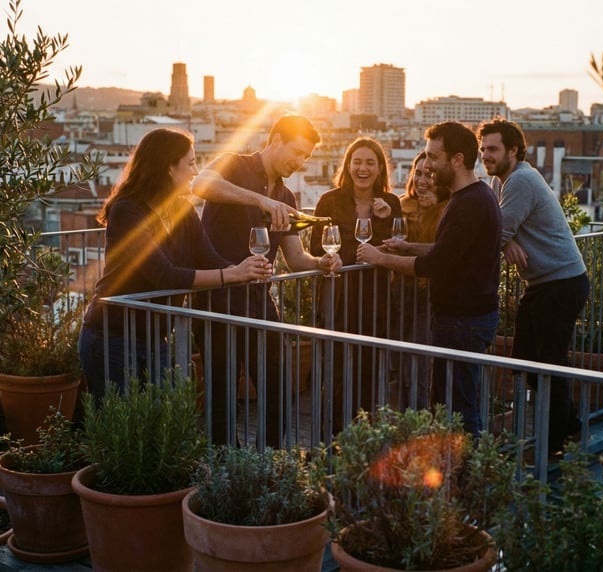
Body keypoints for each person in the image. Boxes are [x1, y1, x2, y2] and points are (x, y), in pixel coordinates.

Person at [78, 128, 271, 399]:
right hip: (112, 336)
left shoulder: (182, 210)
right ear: (168, 167)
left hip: (154, 336)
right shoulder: (127, 211)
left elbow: (208, 258)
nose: (195, 171)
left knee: (163, 423)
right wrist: (232, 276)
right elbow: (163, 275)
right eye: (190, 163)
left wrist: (241, 269)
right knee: (118, 431)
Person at [191, 114, 341, 447]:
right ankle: (225, 468)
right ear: (275, 141)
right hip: (218, 298)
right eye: (297, 152)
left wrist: (322, 262)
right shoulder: (234, 164)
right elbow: (199, 184)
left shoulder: (287, 197)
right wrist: (260, 199)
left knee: (277, 385)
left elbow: (296, 257)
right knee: (223, 392)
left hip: (259, 301)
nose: (300, 162)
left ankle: (268, 462)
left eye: (306, 157)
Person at [357, 121, 501, 436]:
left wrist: (383, 258)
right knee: (457, 402)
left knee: (458, 408)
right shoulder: (474, 196)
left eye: (434, 158)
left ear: (457, 160)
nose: (429, 166)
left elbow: (434, 264)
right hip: (469, 317)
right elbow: (449, 250)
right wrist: (407, 245)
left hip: (463, 320)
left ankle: (465, 477)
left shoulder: (467, 204)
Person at [478, 118, 589, 454]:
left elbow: (492, 234)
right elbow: (502, 230)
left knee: (548, 364)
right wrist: (507, 243)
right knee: (526, 358)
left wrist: (504, 240)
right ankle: (570, 426)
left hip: (561, 283)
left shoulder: (520, 180)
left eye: (493, 149)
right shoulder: (503, 182)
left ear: (513, 150)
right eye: (483, 149)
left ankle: (554, 446)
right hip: (546, 284)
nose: (486, 155)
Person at [308, 137, 402, 431]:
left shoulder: (391, 203)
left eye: (370, 162)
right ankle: (333, 440)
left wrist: (386, 220)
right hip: (338, 297)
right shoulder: (329, 201)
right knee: (335, 373)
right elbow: (315, 247)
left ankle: (361, 441)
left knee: (369, 372)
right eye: (357, 161)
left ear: (380, 169)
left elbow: (396, 246)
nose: (363, 168)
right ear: (347, 166)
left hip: (376, 299)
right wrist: (329, 259)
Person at [390, 152, 450, 410]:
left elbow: (441, 250)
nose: (422, 180)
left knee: (420, 365)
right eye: (418, 173)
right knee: (396, 362)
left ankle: (419, 424)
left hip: (430, 296)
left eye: (430, 174)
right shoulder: (401, 205)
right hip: (397, 293)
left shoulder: (448, 209)